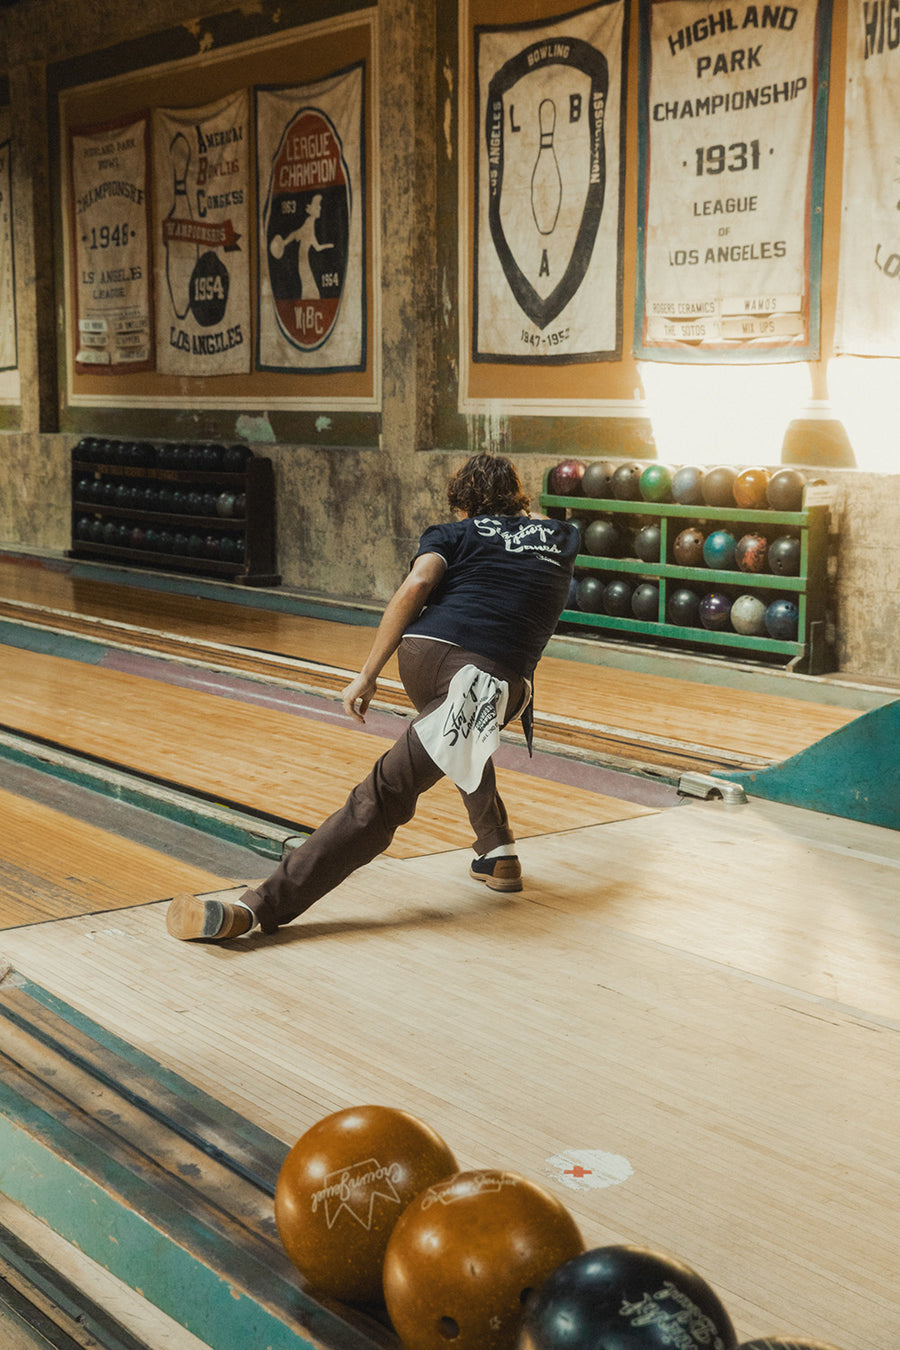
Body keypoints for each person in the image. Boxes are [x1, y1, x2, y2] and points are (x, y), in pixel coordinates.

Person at [166, 452, 579, 943]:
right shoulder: (560, 535)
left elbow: (420, 582)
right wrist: (512, 506)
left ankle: (496, 852)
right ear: (519, 498)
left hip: (427, 658)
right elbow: (529, 525)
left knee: (437, 749)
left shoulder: (451, 533)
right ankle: (253, 911)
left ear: (462, 505)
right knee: (391, 790)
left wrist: (367, 674)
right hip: (488, 681)